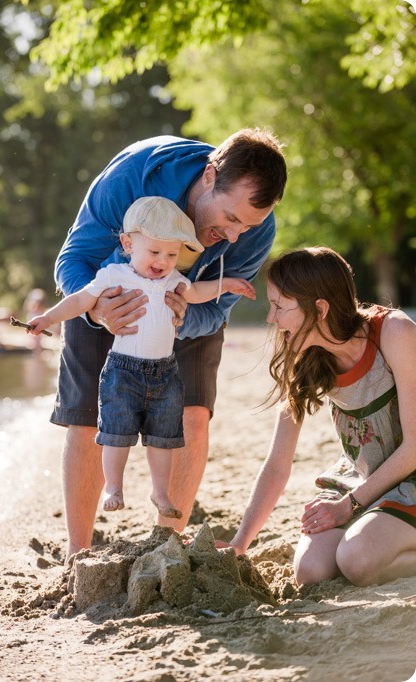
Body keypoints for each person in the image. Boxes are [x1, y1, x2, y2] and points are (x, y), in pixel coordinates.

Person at [51, 128, 287, 560]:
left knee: (192, 418)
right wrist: (96, 307)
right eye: (231, 219)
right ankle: (77, 554)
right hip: (104, 292)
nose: (236, 236)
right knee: (88, 421)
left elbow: (216, 311)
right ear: (211, 176)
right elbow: (74, 256)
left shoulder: (255, 230)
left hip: (188, 309)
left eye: (248, 225)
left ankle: (167, 551)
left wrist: (180, 318)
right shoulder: (136, 173)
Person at [28, 196, 256, 520]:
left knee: (164, 438)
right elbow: (79, 300)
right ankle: (114, 487)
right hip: (123, 370)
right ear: (127, 243)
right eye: (154, 252)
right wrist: (48, 318)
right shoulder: (115, 275)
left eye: (172, 254)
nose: (163, 260)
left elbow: (197, 293)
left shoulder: (174, 280)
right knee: (115, 433)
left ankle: (160, 491)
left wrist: (227, 284)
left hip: (165, 372)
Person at [223, 246, 416, 587]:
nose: (271, 318)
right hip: (363, 476)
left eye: (280, 307)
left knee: (356, 561)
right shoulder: (303, 356)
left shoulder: (394, 332)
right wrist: (239, 544)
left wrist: (349, 507)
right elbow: (277, 463)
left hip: (410, 474)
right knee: (311, 572)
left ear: (320, 309)